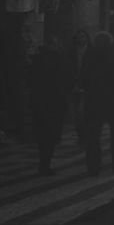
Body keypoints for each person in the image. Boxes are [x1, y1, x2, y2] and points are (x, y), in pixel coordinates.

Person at [82, 31, 114, 176]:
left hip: (93, 101)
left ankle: (93, 166)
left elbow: (83, 78)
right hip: (113, 101)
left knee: (93, 136)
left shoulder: (89, 56)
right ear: (111, 42)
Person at [29, 38, 73, 175]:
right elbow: (67, 79)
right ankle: (45, 164)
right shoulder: (60, 60)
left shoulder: (36, 60)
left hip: (39, 102)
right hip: (55, 102)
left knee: (42, 134)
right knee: (51, 134)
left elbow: (30, 79)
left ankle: (43, 163)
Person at [68, 28, 92, 144]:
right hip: (74, 84)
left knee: (83, 112)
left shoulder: (92, 51)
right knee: (76, 114)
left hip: (88, 85)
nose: (81, 38)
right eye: (79, 36)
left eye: (83, 36)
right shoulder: (71, 51)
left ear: (87, 38)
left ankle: (86, 135)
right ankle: (81, 136)